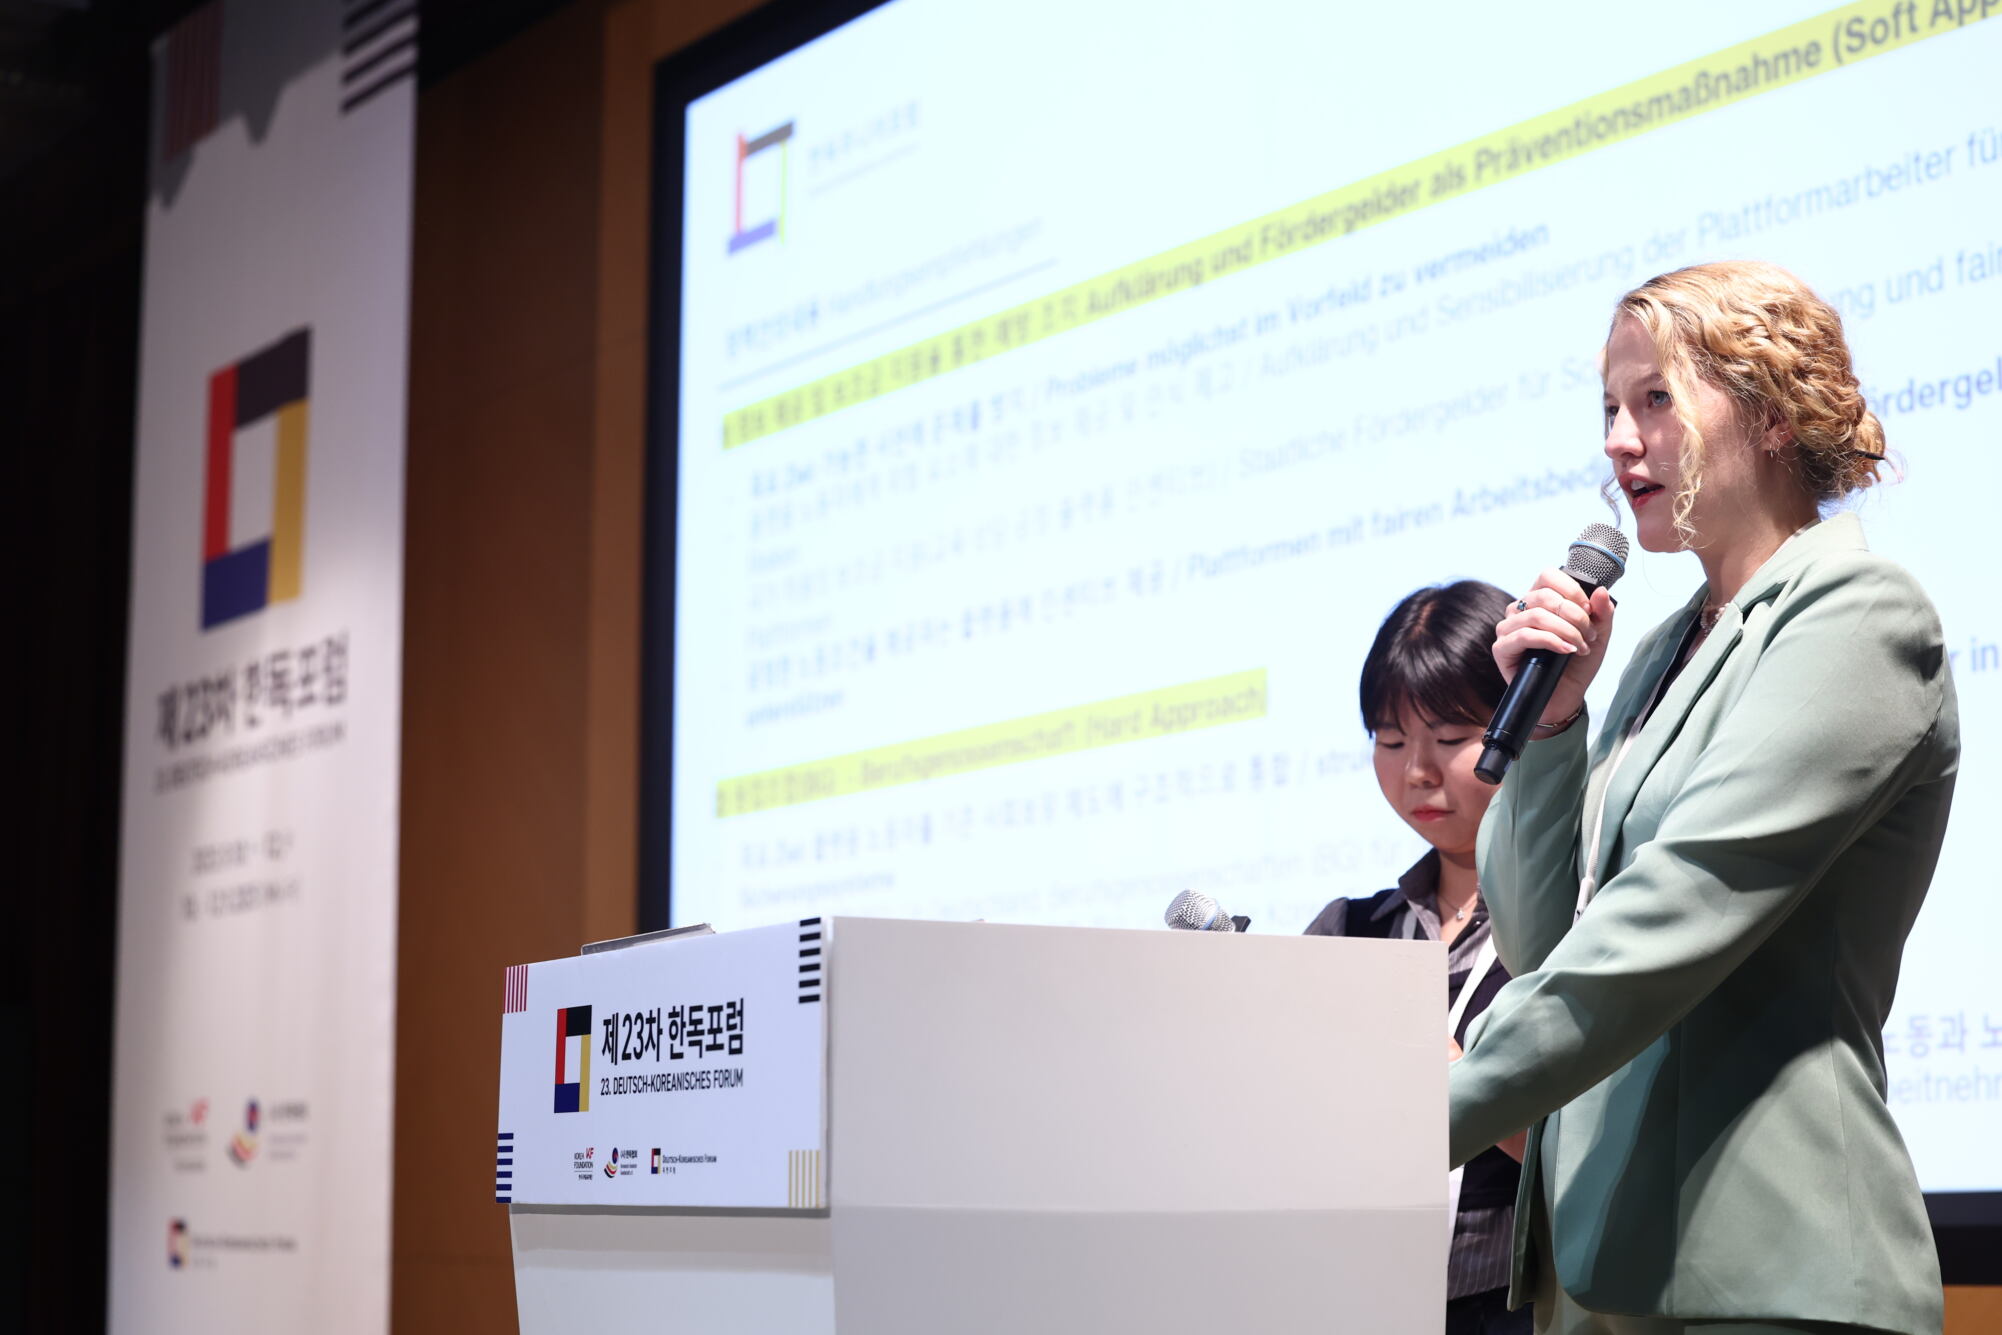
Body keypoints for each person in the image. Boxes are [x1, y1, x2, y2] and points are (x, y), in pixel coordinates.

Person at [1448, 261, 1958, 1335]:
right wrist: (1553, 728)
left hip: (1768, 1273)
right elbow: (1547, 944)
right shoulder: (1658, 655)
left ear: (1770, 414)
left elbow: (1676, 909)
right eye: (1608, 409)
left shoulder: (1858, 612)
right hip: (1607, 1277)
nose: (1617, 441)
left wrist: (1411, 1119)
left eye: (1654, 399)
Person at [1306, 578, 1532, 1335]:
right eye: (1392, 740)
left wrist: (1450, 1070)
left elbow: (1585, 1144)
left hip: (1520, 1304)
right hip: (1358, 1300)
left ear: (1522, 723)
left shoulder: (1573, 919)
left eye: (1451, 736)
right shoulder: (1349, 931)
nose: (1417, 772)